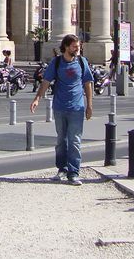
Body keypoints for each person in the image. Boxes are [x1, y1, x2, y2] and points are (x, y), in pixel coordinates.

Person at [29, 34, 93, 186]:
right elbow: (46, 81)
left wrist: (89, 105)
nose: (78, 49)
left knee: (75, 141)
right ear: (65, 46)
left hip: (77, 107)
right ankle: (62, 169)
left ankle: (74, 172)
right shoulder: (56, 62)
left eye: (78, 47)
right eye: (74, 47)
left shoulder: (82, 62)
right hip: (59, 107)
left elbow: (88, 84)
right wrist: (37, 98)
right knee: (61, 140)